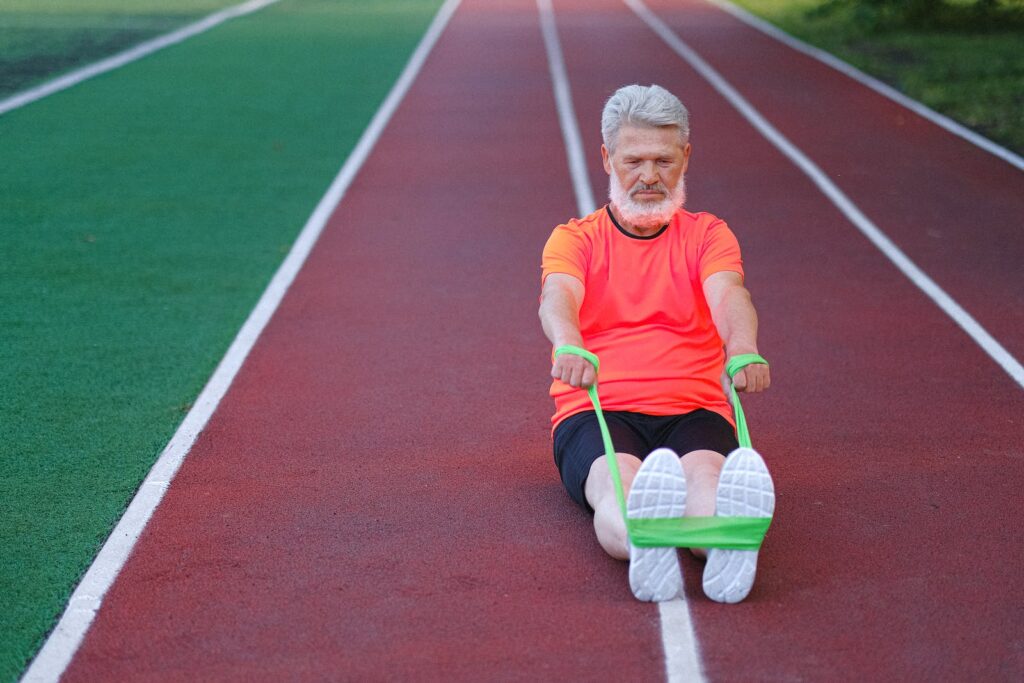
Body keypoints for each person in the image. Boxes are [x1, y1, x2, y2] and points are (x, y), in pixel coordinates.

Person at [538, 84, 774, 604]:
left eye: (663, 161)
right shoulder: (575, 239)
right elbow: (557, 296)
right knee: (616, 484)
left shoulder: (709, 235)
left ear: (685, 157)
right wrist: (568, 344)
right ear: (606, 159)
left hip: (694, 404)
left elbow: (730, 294)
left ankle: (725, 548)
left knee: (706, 478)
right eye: (634, 160)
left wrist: (743, 349)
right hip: (599, 406)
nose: (649, 176)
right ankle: (646, 546)